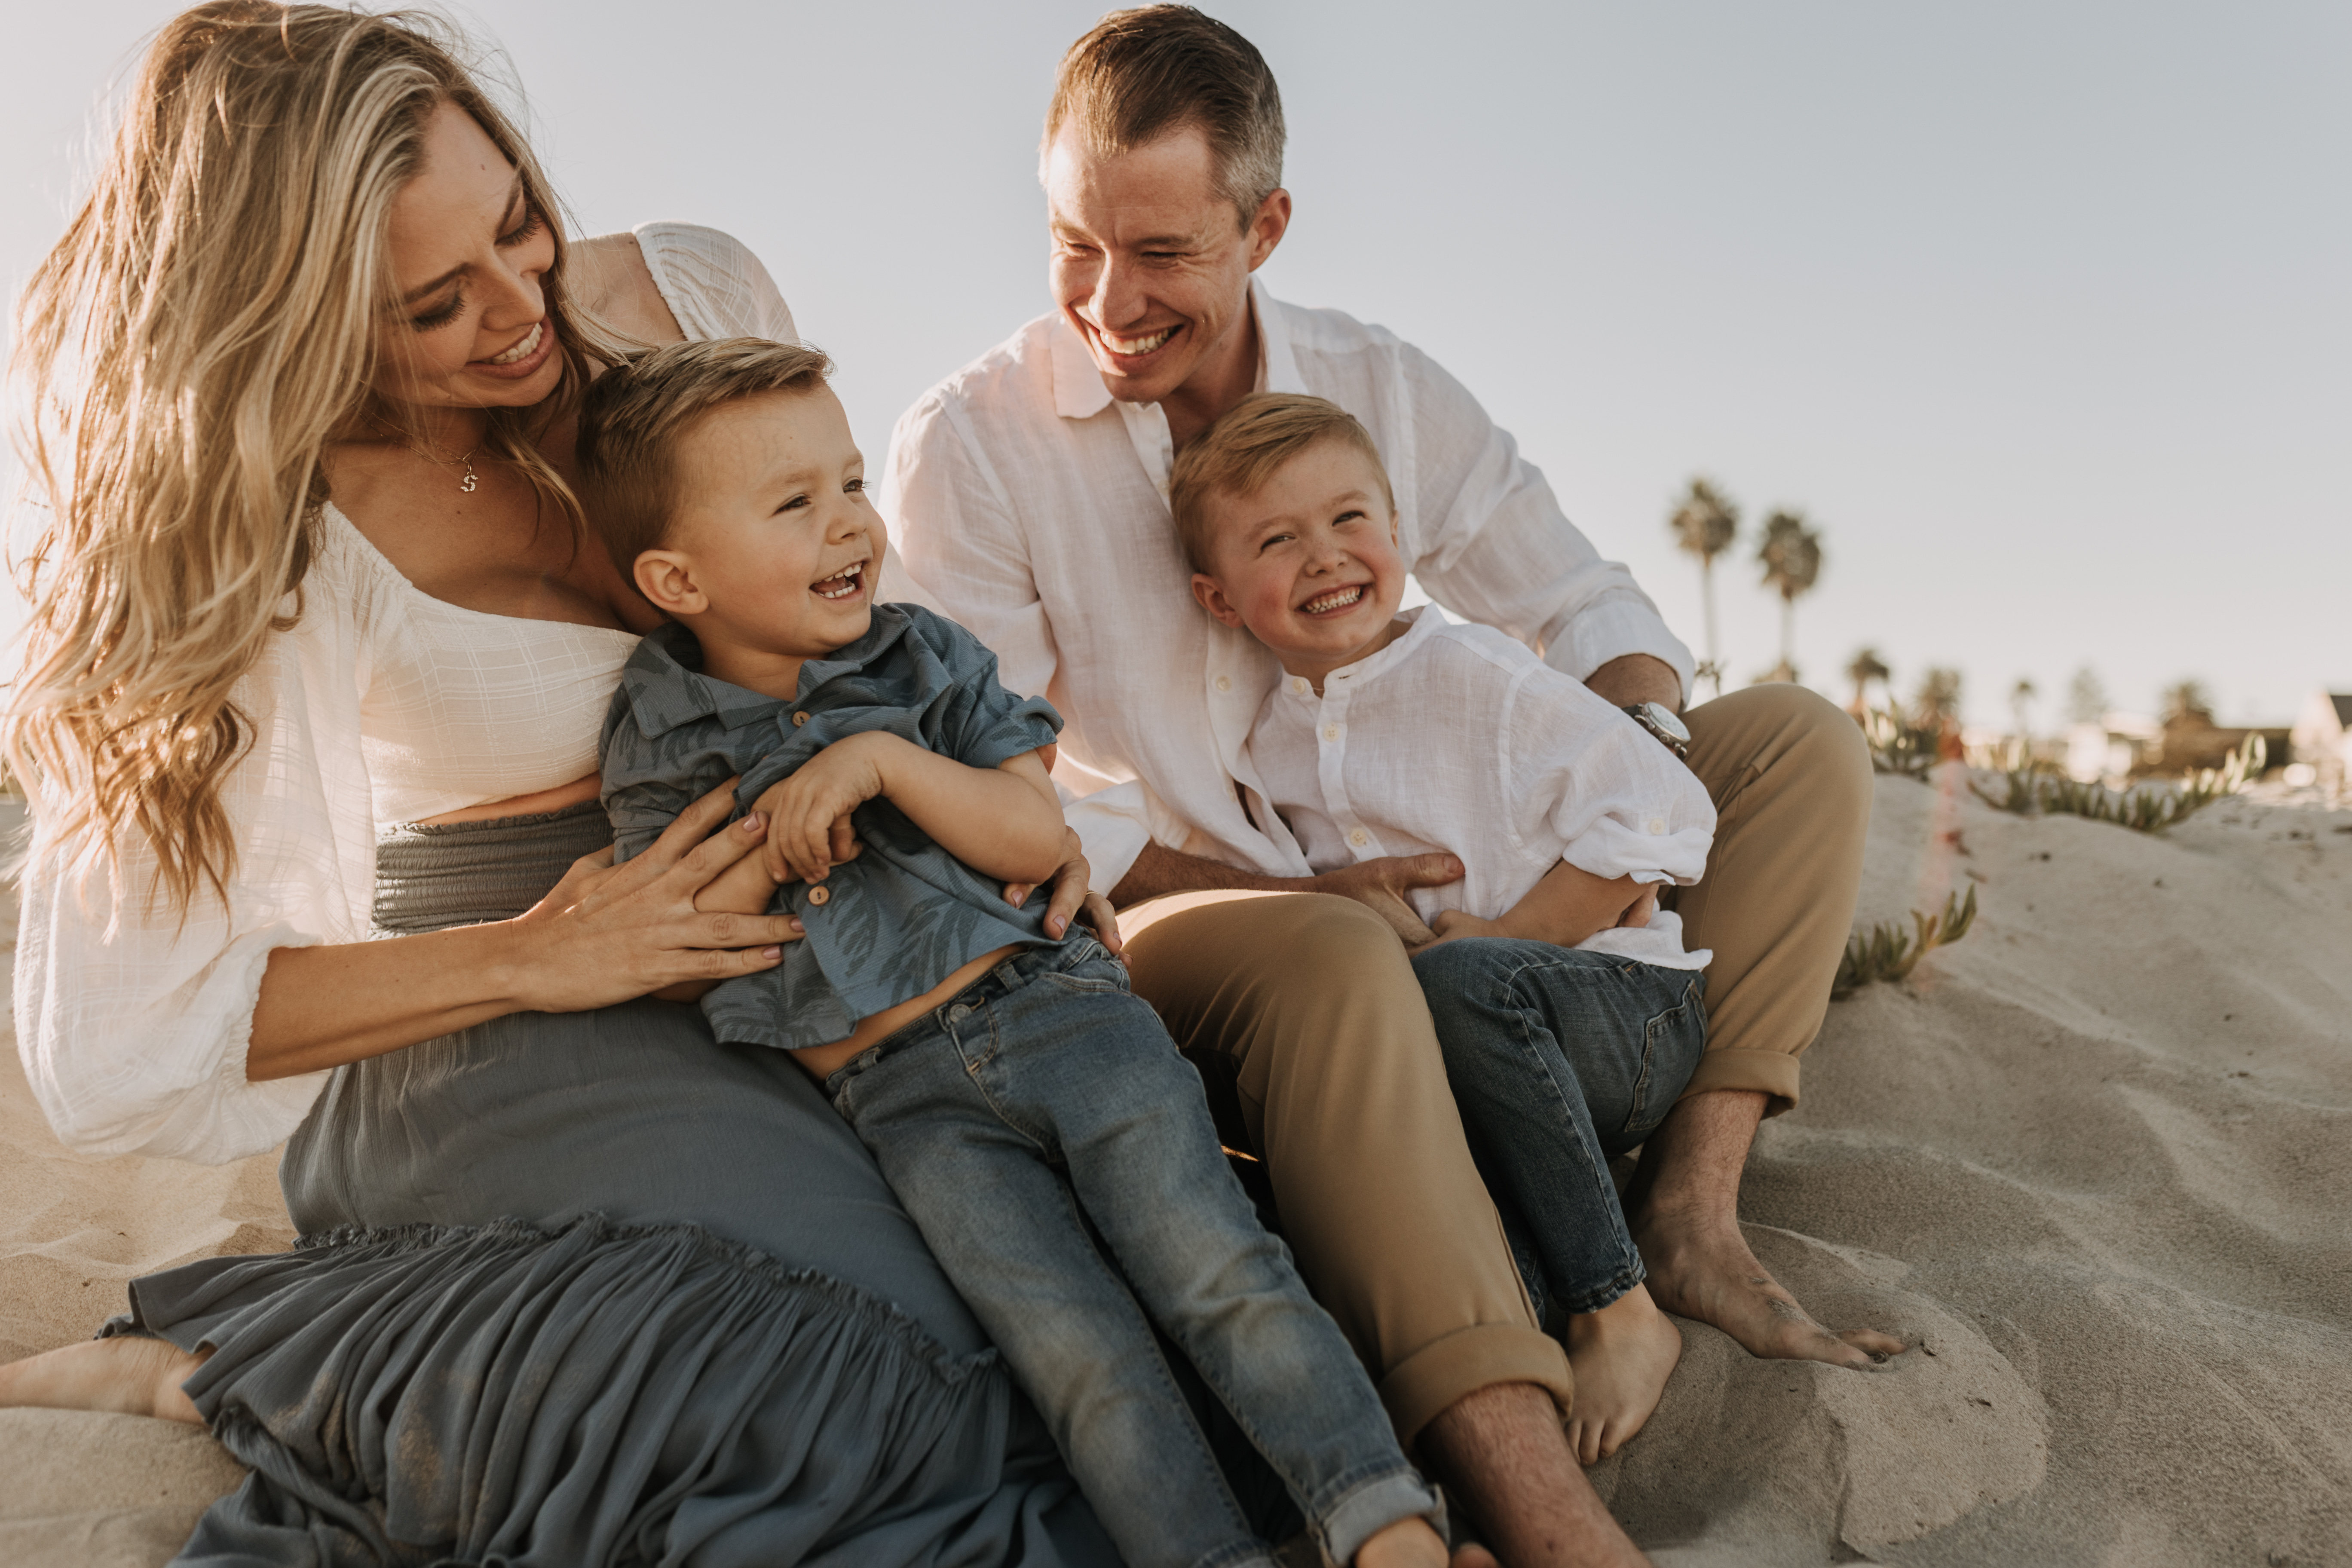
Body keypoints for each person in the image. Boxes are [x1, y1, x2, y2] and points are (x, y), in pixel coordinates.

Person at [0, 6, 1123, 1563]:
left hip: (804, 947)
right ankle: (295, 1358)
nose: (522, 304)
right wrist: (544, 952)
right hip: (495, 1019)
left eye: (521, 223)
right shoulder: (269, 513)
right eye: (433, 303)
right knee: (878, 1385)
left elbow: (857, 624)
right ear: (303, 314)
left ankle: (358, 1346)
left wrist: (990, 807)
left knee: (1082, 1332)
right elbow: (111, 1032)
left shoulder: (695, 288)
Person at [883, 6, 1905, 1558]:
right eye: (1071, 242)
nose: (1108, 298)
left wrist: (1626, 763)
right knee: (1339, 947)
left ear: (1264, 224)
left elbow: (1579, 603)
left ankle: (1691, 1209)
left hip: (1464, 913)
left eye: (1159, 251)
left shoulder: (1380, 384)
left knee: (1796, 746)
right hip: (1178, 903)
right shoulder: (973, 441)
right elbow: (1007, 782)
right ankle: (1540, 1502)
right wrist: (1291, 892)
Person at [577, 337, 1450, 1568]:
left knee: (1217, 1269)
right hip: (900, 1103)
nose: (849, 528)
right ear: (676, 579)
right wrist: (776, 841)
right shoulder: (660, 730)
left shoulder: (921, 657)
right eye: (795, 504)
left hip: (1055, 1013)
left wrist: (879, 761)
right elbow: (677, 932)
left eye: (849, 486)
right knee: (1079, 1360)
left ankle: (1383, 1524)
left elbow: (1033, 830)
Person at [1171, 392, 1717, 1468]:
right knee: (1423, 1194)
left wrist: (1509, 936)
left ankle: (1623, 1308)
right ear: (1219, 598)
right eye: (1277, 541)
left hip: (1618, 1014)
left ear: (1400, 537)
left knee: (1460, 987)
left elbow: (1656, 804)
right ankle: (1516, 1352)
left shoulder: (1476, 673)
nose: (1325, 558)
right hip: (1475, 1071)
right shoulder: (1265, 746)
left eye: (1349, 521)